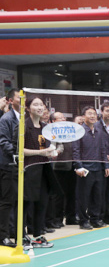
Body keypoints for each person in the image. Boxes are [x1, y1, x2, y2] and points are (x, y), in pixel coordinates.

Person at [22, 96, 59, 247]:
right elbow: (20, 150)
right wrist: (40, 153)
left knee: (42, 204)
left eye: (41, 105)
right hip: (29, 169)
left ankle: (37, 235)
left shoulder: (46, 127)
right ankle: (22, 237)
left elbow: (50, 147)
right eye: (35, 104)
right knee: (25, 205)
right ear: (28, 108)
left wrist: (53, 151)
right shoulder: (23, 126)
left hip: (44, 169)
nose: (40, 107)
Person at [72, 106, 109, 230]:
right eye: (89, 114)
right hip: (85, 170)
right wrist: (79, 167)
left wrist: (106, 165)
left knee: (97, 196)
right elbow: (75, 151)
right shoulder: (79, 131)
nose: (93, 116)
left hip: (98, 169)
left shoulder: (99, 132)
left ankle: (95, 219)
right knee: (84, 197)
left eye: (94, 114)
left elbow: (103, 150)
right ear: (83, 117)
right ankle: (83, 221)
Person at [0, 89, 21, 247]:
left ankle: (18, 233)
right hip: (8, 165)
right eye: (19, 97)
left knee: (19, 200)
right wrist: (17, 154)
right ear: (10, 101)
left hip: (21, 166)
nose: (23, 99)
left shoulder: (24, 118)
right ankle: (3, 236)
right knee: (7, 201)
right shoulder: (6, 119)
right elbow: (4, 141)